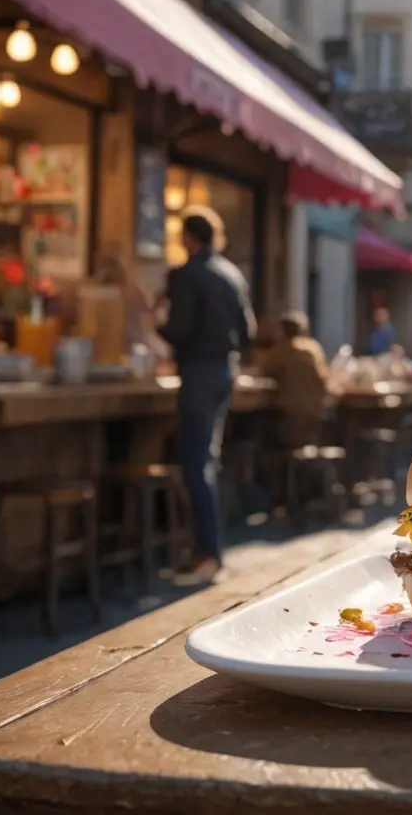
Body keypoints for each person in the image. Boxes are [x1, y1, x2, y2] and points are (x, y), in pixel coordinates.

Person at [158, 207, 256, 585]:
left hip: (198, 371)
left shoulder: (186, 275)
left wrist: (157, 323)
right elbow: (248, 331)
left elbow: (179, 330)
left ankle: (208, 556)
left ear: (187, 237)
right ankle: (208, 551)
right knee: (207, 461)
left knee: (196, 463)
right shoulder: (232, 274)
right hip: (225, 372)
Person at [260, 311, 328, 451]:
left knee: (256, 428)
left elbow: (265, 371)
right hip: (315, 418)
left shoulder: (283, 350)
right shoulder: (314, 348)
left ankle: (267, 470)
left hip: (289, 419)